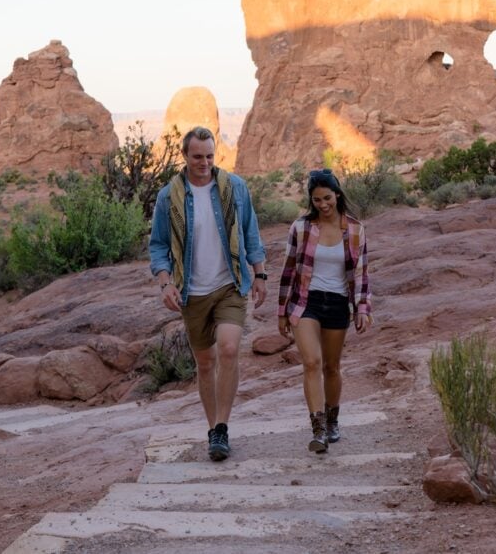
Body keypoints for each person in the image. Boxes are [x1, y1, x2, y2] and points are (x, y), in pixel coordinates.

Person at [149, 126, 267, 461]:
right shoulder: (168, 197)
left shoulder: (235, 188)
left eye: (210, 156)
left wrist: (259, 274)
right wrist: (165, 282)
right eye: (197, 156)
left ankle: (221, 429)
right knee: (205, 363)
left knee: (229, 349)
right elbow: (158, 245)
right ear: (184, 156)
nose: (205, 162)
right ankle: (212, 426)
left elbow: (251, 232)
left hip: (229, 284)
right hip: (192, 291)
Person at [278, 168, 372, 453]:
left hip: (338, 302)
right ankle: (317, 429)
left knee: (332, 367)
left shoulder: (355, 229)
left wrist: (362, 308)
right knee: (312, 362)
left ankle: (332, 420)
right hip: (306, 301)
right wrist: (282, 311)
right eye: (317, 200)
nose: (323, 204)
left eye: (327, 198)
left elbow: (361, 272)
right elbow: (289, 270)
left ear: (338, 195)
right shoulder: (301, 228)